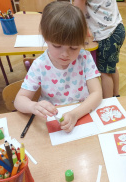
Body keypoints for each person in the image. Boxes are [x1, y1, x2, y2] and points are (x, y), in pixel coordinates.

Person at [14, 1, 102, 133]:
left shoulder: (84, 58)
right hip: (52, 123)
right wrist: (33, 106)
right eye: (57, 46)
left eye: (74, 47)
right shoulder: (40, 65)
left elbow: (97, 93)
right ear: (45, 37)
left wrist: (75, 114)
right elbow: (19, 100)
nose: (65, 54)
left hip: (82, 115)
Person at [74, 0, 126, 98]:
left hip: (107, 34)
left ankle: (108, 102)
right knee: (111, 66)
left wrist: (84, 33)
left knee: (104, 72)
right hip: (118, 28)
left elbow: (77, 12)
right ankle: (116, 94)